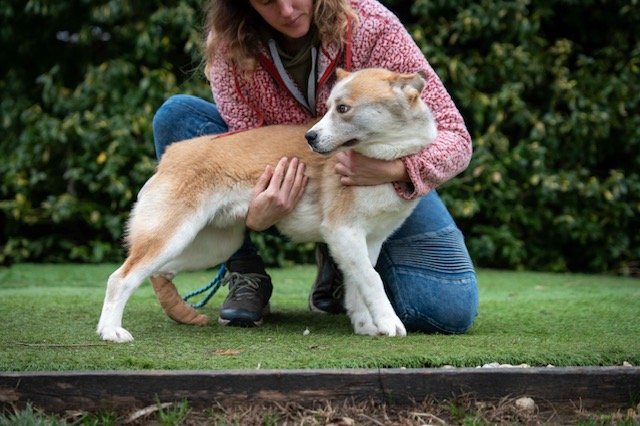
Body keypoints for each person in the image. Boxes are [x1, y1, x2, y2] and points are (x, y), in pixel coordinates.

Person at [152, 0, 478, 333]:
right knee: (178, 117)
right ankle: (245, 270)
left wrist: (397, 171)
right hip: (294, 174)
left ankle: (341, 261)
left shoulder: (371, 24)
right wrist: (251, 213)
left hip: (383, 176)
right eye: (267, 1)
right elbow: (245, 139)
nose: (286, 10)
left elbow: (455, 137)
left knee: (446, 309)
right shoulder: (229, 44)